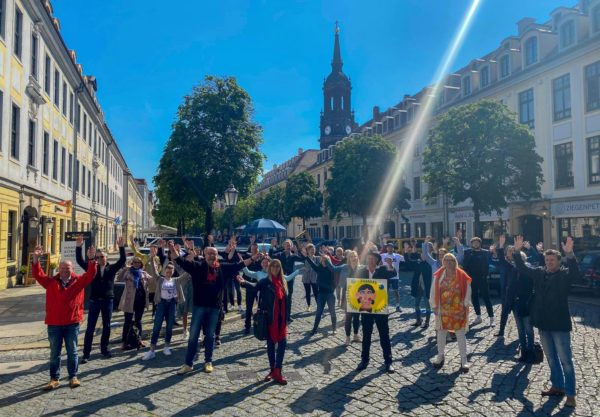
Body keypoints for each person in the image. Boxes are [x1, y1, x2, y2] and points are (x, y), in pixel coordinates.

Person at [170, 241, 257, 375]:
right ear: (204, 254)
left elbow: (238, 265)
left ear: (217, 256)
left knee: (210, 336)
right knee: (193, 336)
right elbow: (181, 261)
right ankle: (188, 364)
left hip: (214, 308)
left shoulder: (222, 268)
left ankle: (208, 362)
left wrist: (252, 258)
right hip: (199, 307)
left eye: (214, 254)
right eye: (209, 253)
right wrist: (172, 249)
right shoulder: (198, 266)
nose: (212, 256)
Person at [513, 235, 578, 408]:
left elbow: (576, 274)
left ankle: (570, 394)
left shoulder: (564, 275)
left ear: (558, 261)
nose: (549, 262)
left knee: (566, 360)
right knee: (550, 358)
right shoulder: (539, 272)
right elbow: (522, 267)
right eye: (547, 259)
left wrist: (570, 254)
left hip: (559, 324)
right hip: (542, 323)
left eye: (552, 260)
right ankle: (557, 386)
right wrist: (518, 251)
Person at [32, 244, 98, 390]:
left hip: (72, 323)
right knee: (55, 353)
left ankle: (73, 376)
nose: (64, 270)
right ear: (58, 270)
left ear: (72, 270)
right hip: (54, 323)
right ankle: (54, 378)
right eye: (62, 268)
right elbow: (38, 275)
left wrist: (92, 260)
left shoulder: (79, 282)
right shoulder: (50, 283)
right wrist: (36, 259)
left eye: (67, 268)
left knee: (72, 351)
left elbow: (91, 275)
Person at [236, 259, 301, 384]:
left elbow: (285, 302)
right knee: (271, 345)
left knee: (282, 344)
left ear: (280, 268)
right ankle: (272, 370)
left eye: (278, 266)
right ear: (270, 268)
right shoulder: (265, 282)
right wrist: (244, 283)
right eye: (273, 266)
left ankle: (278, 371)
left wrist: (287, 317)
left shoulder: (282, 282)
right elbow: (255, 287)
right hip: (269, 318)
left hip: (281, 320)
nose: (275, 268)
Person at [75, 235, 125, 363]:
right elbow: (80, 261)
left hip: (108, 300)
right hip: (94, 300)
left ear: (106, 258)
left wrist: (121, 247)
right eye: (97, 257)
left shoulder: (112, 268)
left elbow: (122, 260)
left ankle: (104, 349)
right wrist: (78, 247)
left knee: (106, 326)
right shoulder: (93, 268)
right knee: (90, 327)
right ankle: (86, 353)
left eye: (102, 256)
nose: (100, 259)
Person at [493, 235, 536, 363]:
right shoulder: (512, 268)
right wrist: (501, 247)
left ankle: (531, 352)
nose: (514, 261)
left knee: (528, 329)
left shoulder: (529, 269)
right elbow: (501, 260)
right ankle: (524, 352)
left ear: (523, 259)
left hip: (527, 303)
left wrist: (531, 249)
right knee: (521, 330)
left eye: (518, 258)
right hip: (515, 303)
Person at [355, 250, 397, 373]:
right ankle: (364, 360)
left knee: (384, 335)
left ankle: (388, 362)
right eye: (369, 258)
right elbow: (355, 286)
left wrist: (390, 264)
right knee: (366, 335)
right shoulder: (362, 271)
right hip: (366, 308)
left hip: (380, 308)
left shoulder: (383, 270)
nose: (371, 261)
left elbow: (393, 272)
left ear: (377, 260)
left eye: (373, 259)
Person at [430, 253, 472, 373]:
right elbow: (433, 290)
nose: (448, 262)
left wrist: (465, 304)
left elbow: (468, 289)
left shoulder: (462, 274)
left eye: (451, 260)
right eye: (446, 260)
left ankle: (464, 360)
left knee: (460, 334)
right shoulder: (438, 275)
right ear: (443, 262)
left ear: (455, 262)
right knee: (441, 333)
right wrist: (434, 305)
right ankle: (440, 355)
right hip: (442, 309)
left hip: (458, 309)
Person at [142, 260, 190, 360]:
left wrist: (191, 263)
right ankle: (152, 350)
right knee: (157, 326)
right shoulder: (160, 279)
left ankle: (167, 346)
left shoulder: (176, 280)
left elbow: (186, 275)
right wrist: (152, 258)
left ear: (173, 272)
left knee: (169, 326)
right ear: (164, 271)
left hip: (172, 304)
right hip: (161, 304)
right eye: (167, 271)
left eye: (171, 271)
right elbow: (154, 272)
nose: (169, 272)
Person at [117, 256, 151, 349]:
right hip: (129, 301)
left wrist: (152, 264)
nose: (136, 264)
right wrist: (124, 269)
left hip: (140, 301)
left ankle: (139, 340)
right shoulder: (128, 272)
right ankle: (124, 342)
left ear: (141, 264)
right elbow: (119, 279)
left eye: (138, 262)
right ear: (132, 263)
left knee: (138, 321)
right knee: (127, 322)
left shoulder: (143, 273)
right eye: (135, 262)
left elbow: (153, 280)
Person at [302, 248, 338, 336]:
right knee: (318, 312)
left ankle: (334, 328)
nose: (323, 262)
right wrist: (306, 256)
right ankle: (314, 328)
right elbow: (311, 263)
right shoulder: (319, 268)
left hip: (330, 294)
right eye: (322, 261)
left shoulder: (331, 270)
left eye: (325, 261)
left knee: (332, 311)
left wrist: (332, 288)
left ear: (328, 261)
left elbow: (336, 281)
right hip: (321, 294)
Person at [462, 237, 494, 327]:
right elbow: (463, 262)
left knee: (486, 298)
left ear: (480, 244)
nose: (475, 244)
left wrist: (493, 251)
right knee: (474, 297)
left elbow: (492, 258)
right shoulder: (468, 252)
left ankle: (491, 318)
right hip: (472, 279)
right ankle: (478, 317)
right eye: (474, 243)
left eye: (477, 242)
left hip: (483, 279)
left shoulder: (486, 252)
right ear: (471, 244)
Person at [271, 239, 304, 323]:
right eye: (286, 245)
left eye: (289, 245)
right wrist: (272, 246)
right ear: (284, 246)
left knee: (289, 298)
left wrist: (298, 250)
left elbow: (303, 259)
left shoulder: (293, 256)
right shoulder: (280, 254)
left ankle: (288, 316)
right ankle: (280, 315)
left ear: (291, 246)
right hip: (280, 279)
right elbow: (271, 255)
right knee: (279, 297)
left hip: (289, 280)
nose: (288, 247)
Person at [335, 250, 362, 346]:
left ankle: (355, 335)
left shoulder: (361, 268)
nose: (354, 258)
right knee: (348, 318)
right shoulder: (345, 268)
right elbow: (341, 282)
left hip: (358, 297)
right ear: (349, 258)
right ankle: (347, 338)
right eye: (351, 256)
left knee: (356, 317)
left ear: (357, 257)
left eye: (355, 256)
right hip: (348, 296)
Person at [241, 242, 264, 334]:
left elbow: (265, 267)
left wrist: (262, 257)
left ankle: (259, 323)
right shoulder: (248, 257)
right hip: (249, 285)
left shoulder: (261, 258)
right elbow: (244, 266)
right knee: (249, 307)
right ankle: (247, 326)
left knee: (261, 306)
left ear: (257, 249)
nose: (254, 251)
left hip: (259, 286)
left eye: (255, 249)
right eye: (252, 249)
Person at [380, 243, 404, 313]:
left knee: (396, 291)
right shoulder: (382, 255)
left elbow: (406, 259)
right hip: (385, 277)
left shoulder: (398, 256)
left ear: (393, 248)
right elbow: (377, 260)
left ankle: (398, 306)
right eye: (388, 247)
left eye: (391, 247)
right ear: (386, 248)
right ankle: (385, 307)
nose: (390, 248)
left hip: (395, 277)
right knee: (385, 292)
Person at [300, 244, 319, 312]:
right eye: (311, 250)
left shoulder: (317, 258)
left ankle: (319, 306)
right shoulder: (304, 258)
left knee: (316, 292)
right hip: (306, 277)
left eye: (313, 249)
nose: (312, 251)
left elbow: (317, 267)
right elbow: (304, 267)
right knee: (307, 292)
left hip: (314, 277)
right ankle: (308, 306)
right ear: (307, 251)